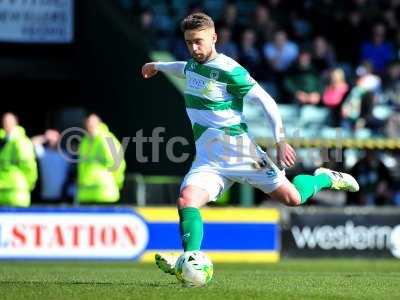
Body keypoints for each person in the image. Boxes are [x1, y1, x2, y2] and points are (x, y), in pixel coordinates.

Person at [141, 13, 359, 276]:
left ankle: (323, 178)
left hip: (244, 155)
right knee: (187, 200)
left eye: (198, 41)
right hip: (209, 160)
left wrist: (280, 140)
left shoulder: (229, 69)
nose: (194, 48)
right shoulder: (194, 65)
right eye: (189, 42)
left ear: (214, 37)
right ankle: (190, 259)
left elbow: (266, 101)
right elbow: (183, 68)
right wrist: (158, 65)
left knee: (293, 198)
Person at [77, 114, 126, 204]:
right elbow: (82, 165)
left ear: (99, 123)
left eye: (92, 123)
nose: (90, 125)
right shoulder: (85, 141)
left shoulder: (107, 138)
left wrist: (118, 182)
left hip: (105, 194)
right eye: (88, 122)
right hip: (85, 195)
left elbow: (118, 162)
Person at [0, 112, 37, 207]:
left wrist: (26, 184)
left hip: (17, 194)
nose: (6, 124)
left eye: (8, 121)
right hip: (3, 194)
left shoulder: (21, 141)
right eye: (4, 121)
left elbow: (29, 166)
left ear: (15, 122)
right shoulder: (3, 141)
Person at [31, 129, 73, 204]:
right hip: (45, 197)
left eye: (56, 138)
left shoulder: (66, 155)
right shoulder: (43, 154)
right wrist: (45, 137)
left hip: (63, 197)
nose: (53, 140)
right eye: (51, 139)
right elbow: (32, 142)